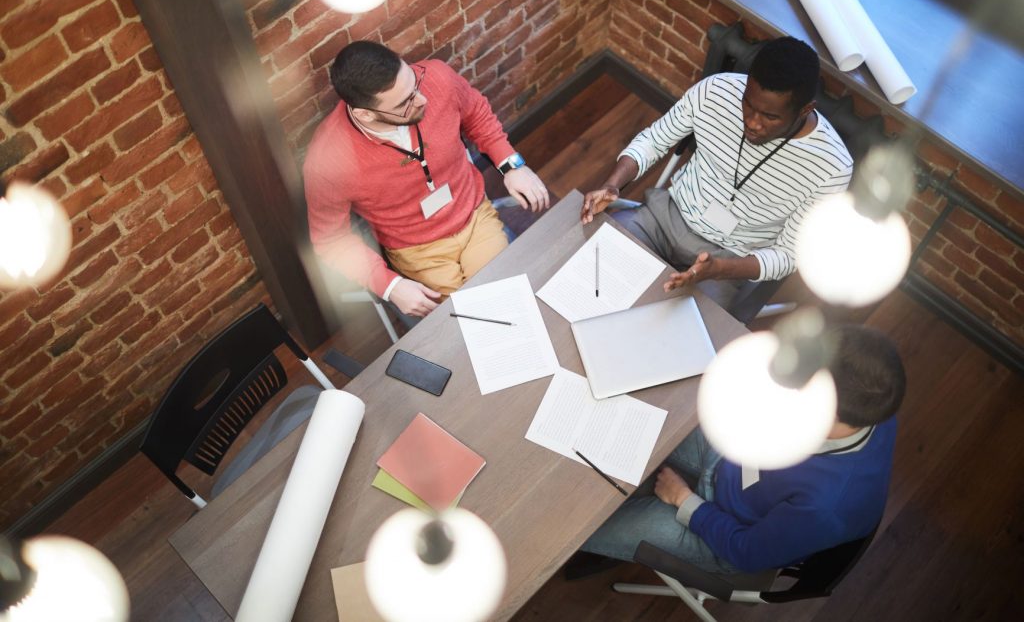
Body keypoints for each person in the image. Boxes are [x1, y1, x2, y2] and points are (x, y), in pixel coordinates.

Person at [569, 324, 906, 577]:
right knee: (641, 405)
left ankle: (600, 548)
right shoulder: (869, 404)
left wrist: (684, 500)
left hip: (729, 534)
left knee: (577, 528)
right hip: (738, 460)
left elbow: (747, 553)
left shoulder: (825, 507)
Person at [580, 37, 853, 310]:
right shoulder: (715, 91)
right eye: (749, 104)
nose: (752, 122)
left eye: (770, 117)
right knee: (593, 275)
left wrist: (721, 268)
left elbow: (788, 255)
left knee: (679, 339)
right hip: (665, 218)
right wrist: (613, 184)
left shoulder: (832, 167)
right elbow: (654, 140)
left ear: (806, 109)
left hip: (731, 259)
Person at [304, 41, 550, 317]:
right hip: (418, 251)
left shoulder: (436, 77)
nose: (423, 99)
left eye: (414, 83)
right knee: (474, 320)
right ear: (365, 114)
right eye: (405, 102)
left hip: (474, 216)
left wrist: (511, 164)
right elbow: (331, 240)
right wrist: (390, 286)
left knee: (506, 300)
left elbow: (476, 112)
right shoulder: (327, 160)